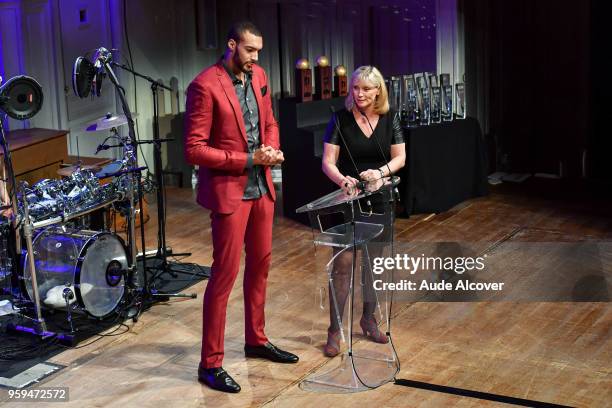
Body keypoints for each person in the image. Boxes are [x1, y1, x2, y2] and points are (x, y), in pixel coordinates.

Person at [184, 21, 298, 394]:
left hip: (261, 188)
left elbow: (270, 121)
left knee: (261, 265)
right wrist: (247, 158)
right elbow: (195, 149)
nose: (255, 58)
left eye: (258, 52)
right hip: (230, 193)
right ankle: (210, 363)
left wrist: (271, 148)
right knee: (224, 275)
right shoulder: (205, 85)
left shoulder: (259, 74)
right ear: (232, 44)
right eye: (249, 50)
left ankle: (256, 339)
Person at [321, 65, 406, 357]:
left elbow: (400, 158)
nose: (359, 93)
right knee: (343, 265)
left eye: (366, 89)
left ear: (378, 90)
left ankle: (368, 318)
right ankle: (334, 330)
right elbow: (328, 162)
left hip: (379, 199)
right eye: (356, 88)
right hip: (348, 200)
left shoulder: (390, 117)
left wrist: (379, 173)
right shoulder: (340, 119)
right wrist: (342, 179)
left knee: (374, 265)